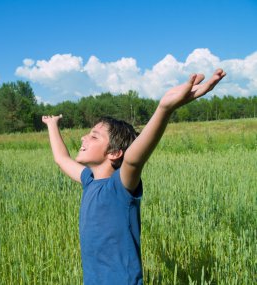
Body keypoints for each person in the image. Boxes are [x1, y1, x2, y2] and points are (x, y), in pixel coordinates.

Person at [42, 69, 226, 285]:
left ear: (114, 153)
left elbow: (133, 159)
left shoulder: (120, 186)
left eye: (94, 136)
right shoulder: (89, 181)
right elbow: (61, 159)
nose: (84, 137)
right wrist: (52, 125)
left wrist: (164, 108)